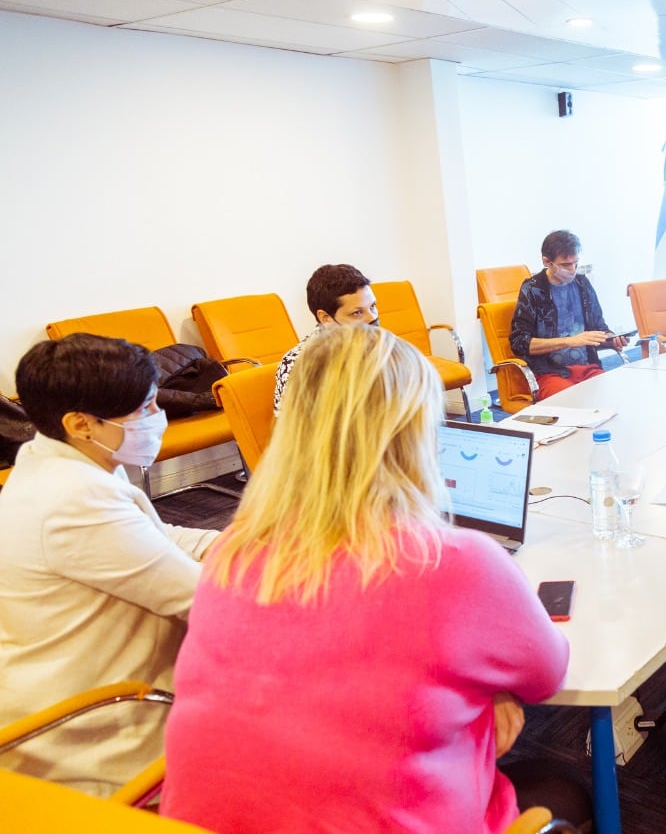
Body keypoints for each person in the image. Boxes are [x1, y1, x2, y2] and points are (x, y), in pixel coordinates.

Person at [161, 326, 576, 833]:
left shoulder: (233, 550)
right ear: (417, 434)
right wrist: (491, 691)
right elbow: (548, 671)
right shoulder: (456, 563)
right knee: (566, 791)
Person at [0, 334, 219, 796]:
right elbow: (204, 601)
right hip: (98, 728)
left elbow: (155, 538)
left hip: (106, 684)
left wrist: (242, 542)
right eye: (143, 409)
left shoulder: (65, 458)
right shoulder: (70, 501)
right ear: (81, 423)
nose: (157, 418)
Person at [509, 229, 627, 399]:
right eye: (565, 265)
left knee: (613, 397)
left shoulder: (582, 284)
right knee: (573, 402)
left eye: (576, 263)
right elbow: (519, 343)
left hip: (587, 368)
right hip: (549, 373)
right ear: (547, 262)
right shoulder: (532, 289)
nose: (572, 269)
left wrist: (611, 340)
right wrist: (569, 341)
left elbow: (599, 328)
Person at [273, 263, 379, 412]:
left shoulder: (378, 346)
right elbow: (296, 430)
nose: (372, 317)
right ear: (326, 318)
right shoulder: (299, 365)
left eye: (373, 306)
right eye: (357, 313)